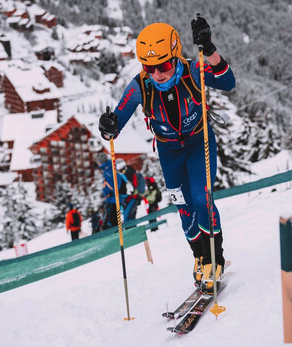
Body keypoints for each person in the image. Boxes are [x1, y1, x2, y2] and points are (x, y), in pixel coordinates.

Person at [98, 17, 235, 295]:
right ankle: (199, 258)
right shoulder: (140, 86)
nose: (158, 73)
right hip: (169, 152)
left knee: (201, 197)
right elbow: (118, 119)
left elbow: (227, 81)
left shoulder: (193, 69)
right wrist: (108, 125)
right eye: (150, 67)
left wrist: (209, 49)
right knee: (184, 210)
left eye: (164, 65)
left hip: (199, 143)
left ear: (175, 56)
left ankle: (214, 260)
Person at [97, 153, 128, 230]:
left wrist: (111, 193)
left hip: (113, 199)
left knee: (112, 223)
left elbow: (116, 182)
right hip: (113, 199)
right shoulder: (108, 168)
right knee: (112, 221)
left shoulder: (108, 169)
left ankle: (117, 238)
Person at [116, 158, 145, 222]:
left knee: (128, 217)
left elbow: (130, 188)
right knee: (130, 217)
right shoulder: (129, 171)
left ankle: (133, 231)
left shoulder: (128, 173)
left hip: (132, 197)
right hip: (132, 197)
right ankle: (133, 230)